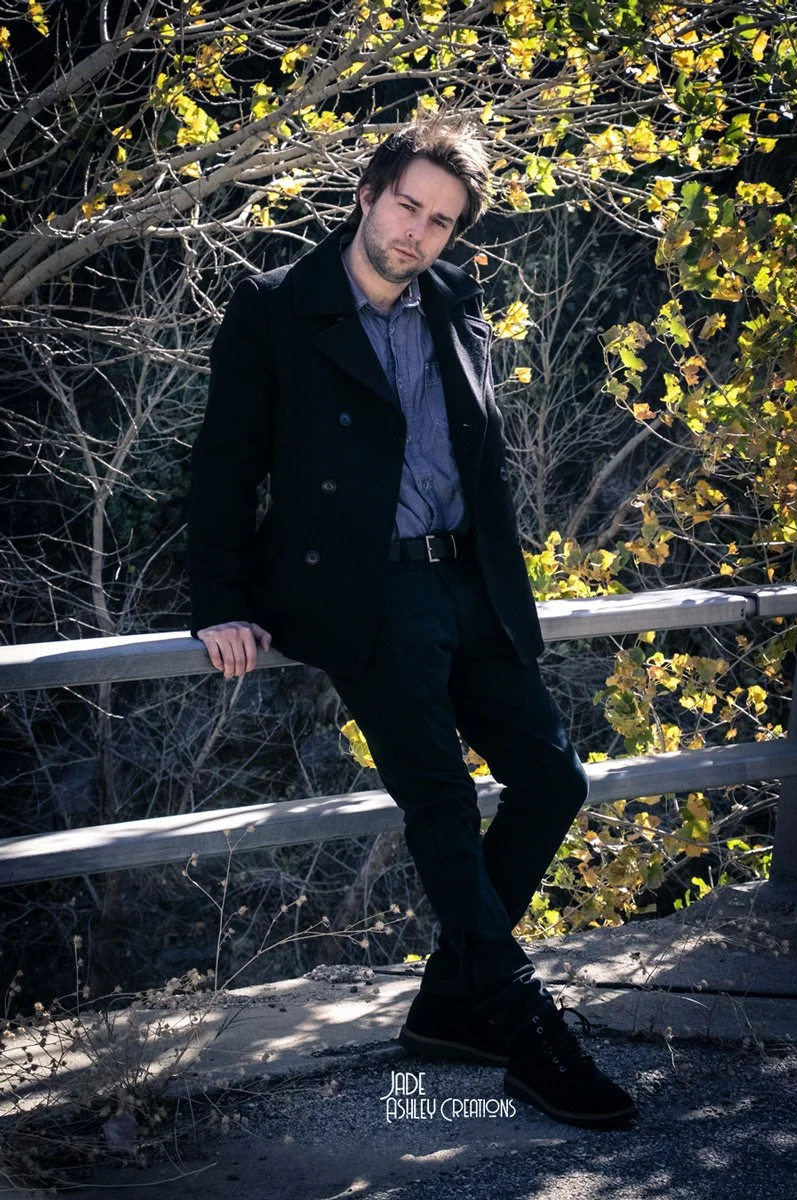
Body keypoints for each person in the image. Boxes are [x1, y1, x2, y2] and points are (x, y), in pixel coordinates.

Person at [187, 112, 636, 1129]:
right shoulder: (275, 309)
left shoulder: (454, 299)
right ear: (366, 194)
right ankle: (523, 1030)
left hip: (468, 585)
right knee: (439, 800)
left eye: (440, 221)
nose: (417, 233)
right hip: (362, 597)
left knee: (551, 778)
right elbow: (223, 467)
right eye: (406, 206)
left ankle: (446, 1008)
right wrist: (220, 605)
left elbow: (479, 461)